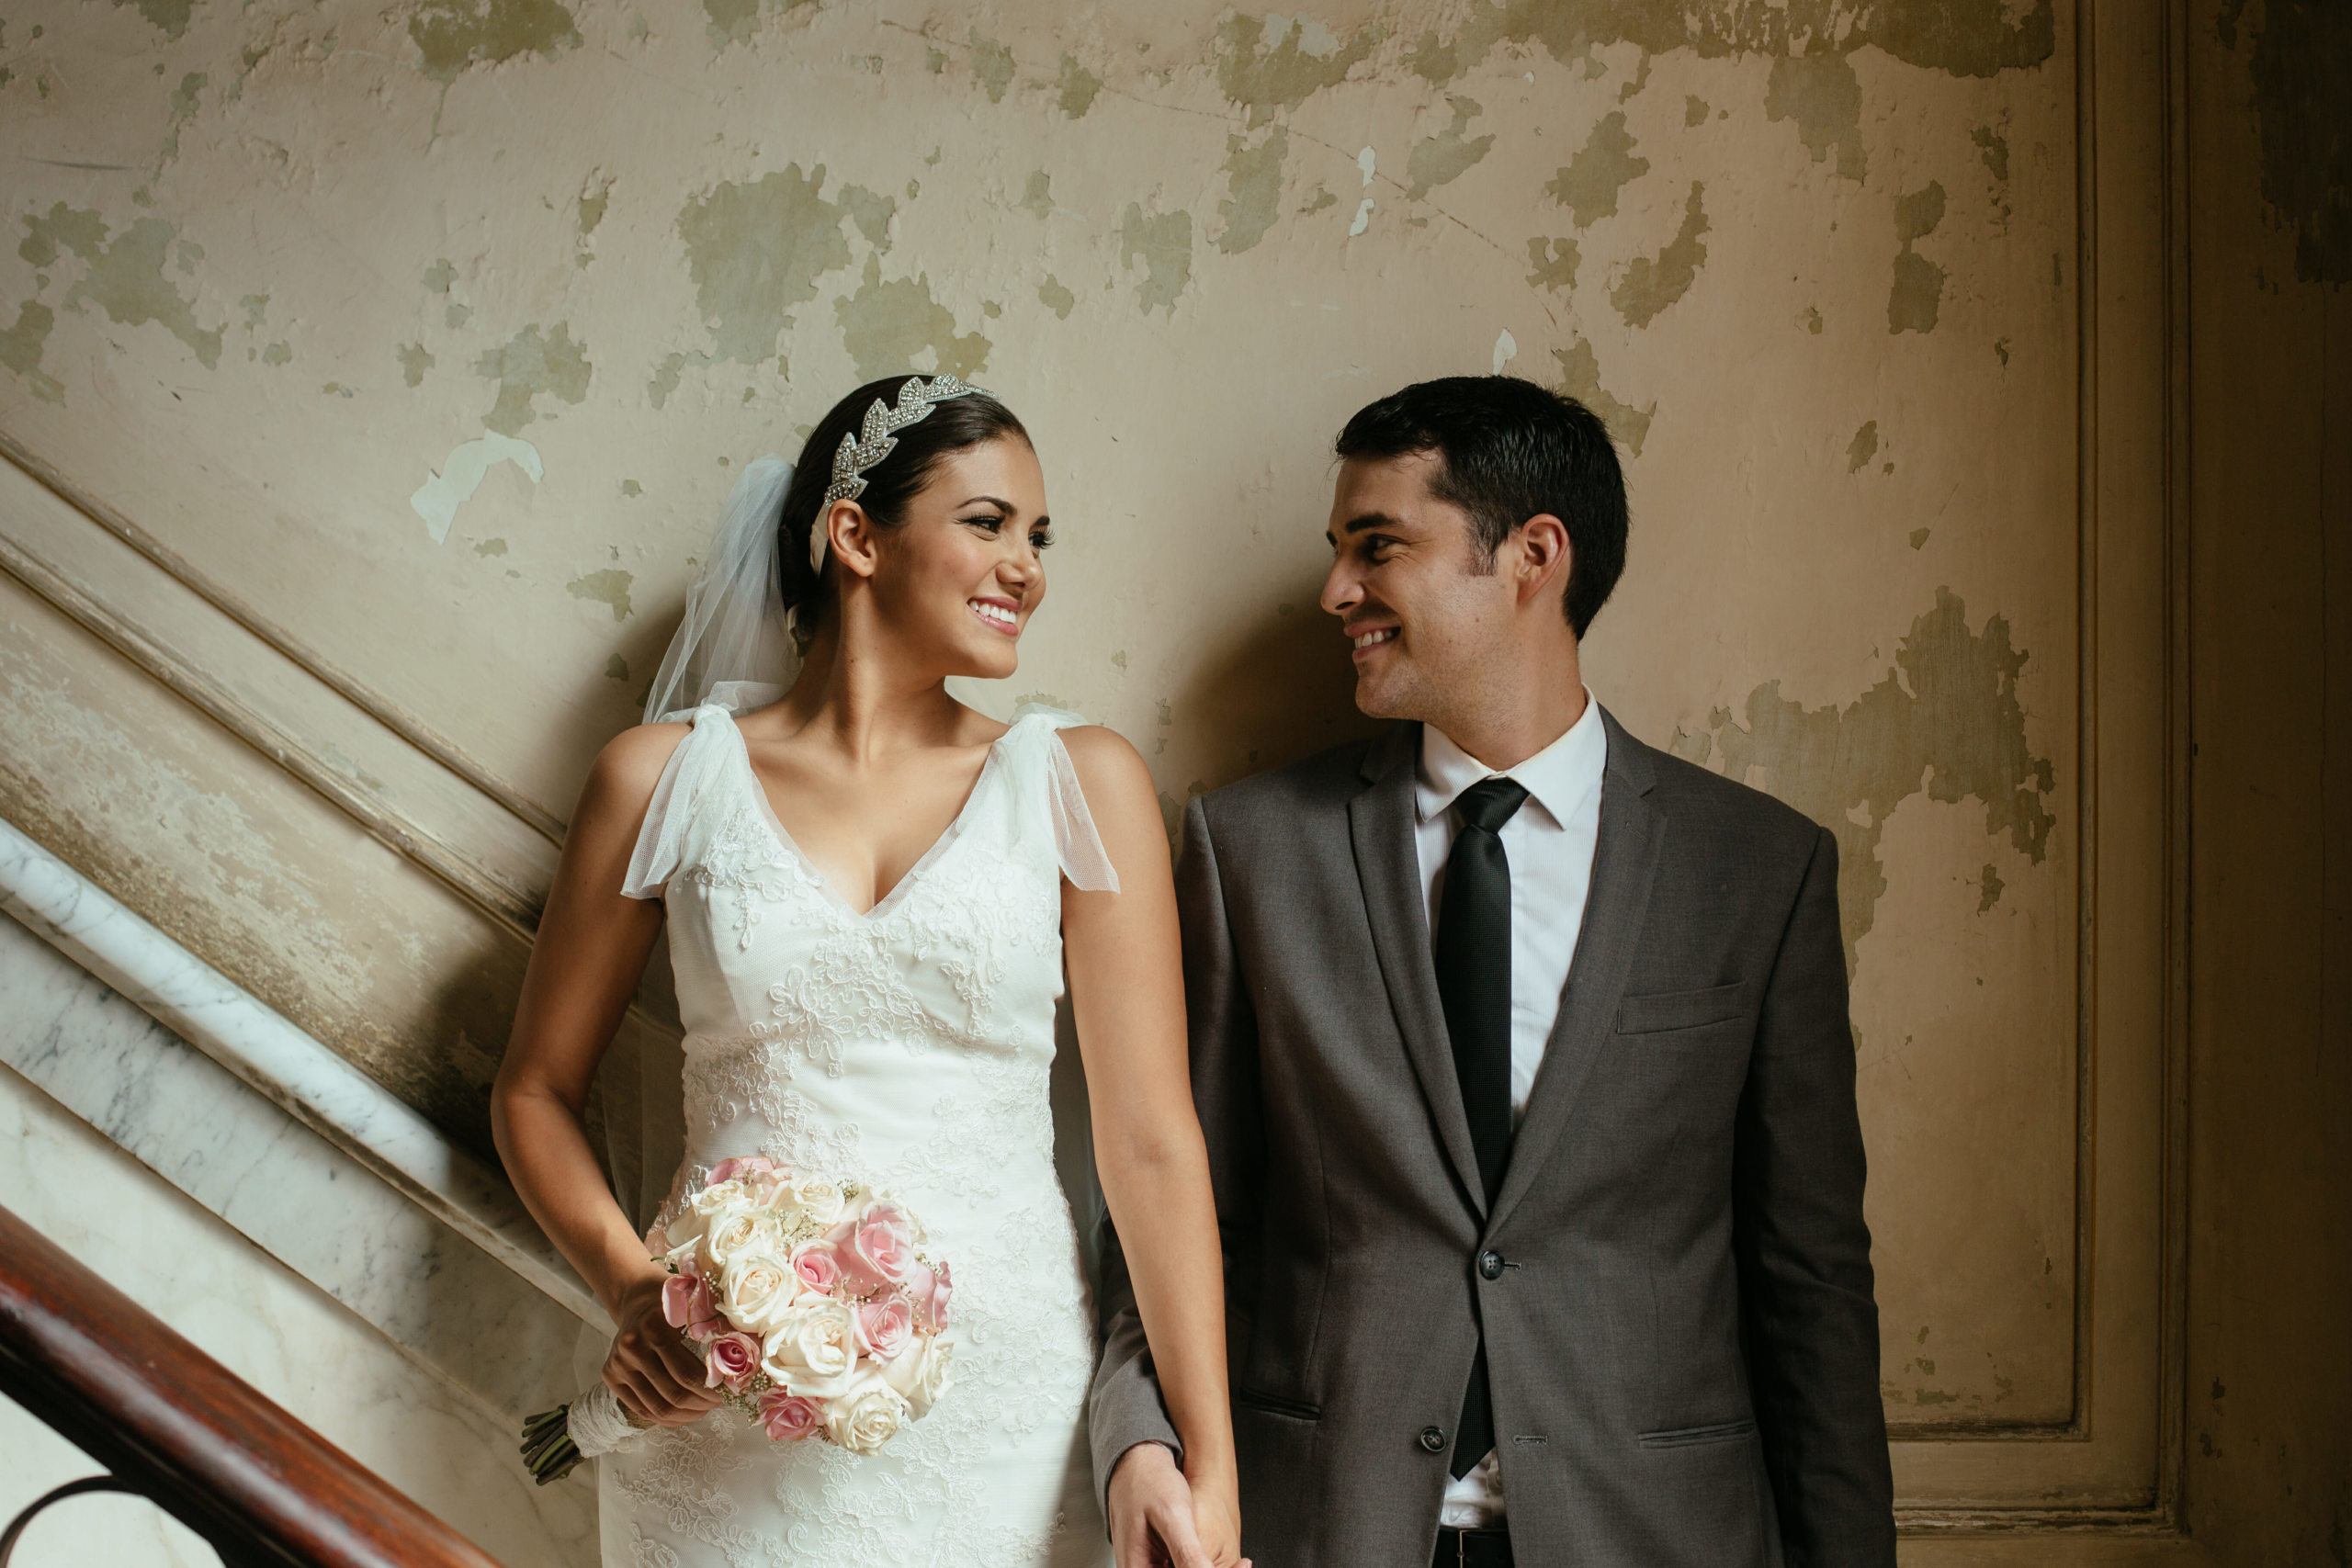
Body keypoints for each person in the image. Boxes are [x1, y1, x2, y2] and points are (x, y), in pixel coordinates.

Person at [1091, 376, 1895, 1566]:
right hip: (1327, 1528)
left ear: (1533, 555)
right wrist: (1137, 1437)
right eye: (1336, 551)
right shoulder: (1253, 850)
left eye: (1378, 547)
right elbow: (1171, 1210)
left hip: (1655, 1533)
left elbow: (1812, 1284)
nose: (1336, 592)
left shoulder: (1758, 870)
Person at [494, 376, 1243, 1568]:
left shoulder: (1081, 783)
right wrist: (637, 1294)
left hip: (997, 1411)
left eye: (1039, 538)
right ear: (855, 537)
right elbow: (531, 1091)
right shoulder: (662, 780)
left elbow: (1150, 1141)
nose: (1028, 569)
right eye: (989, 523)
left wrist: (1210, 1467)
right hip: (718, 1392)